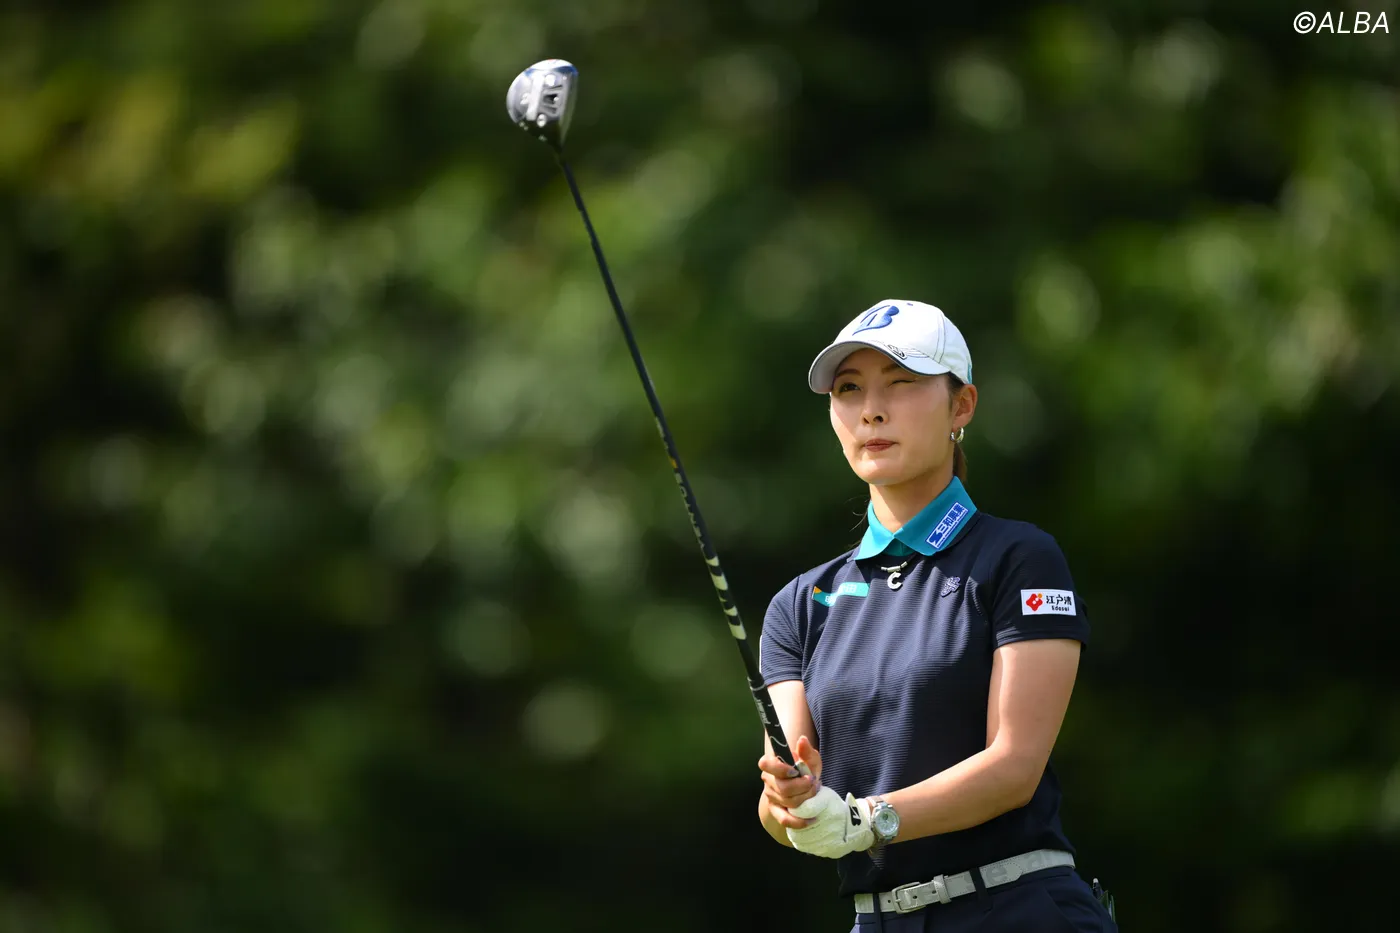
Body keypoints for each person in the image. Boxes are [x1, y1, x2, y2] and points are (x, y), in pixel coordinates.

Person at [756, 300, 1119, 932]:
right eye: (849, 389)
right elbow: (783, 794)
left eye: (901, 384)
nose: (871, 410)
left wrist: (866, 821)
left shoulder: (1018, 559)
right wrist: (792, 802)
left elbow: (1014, 768)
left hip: (1015, 909)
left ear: (962, 407)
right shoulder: (800, 603)